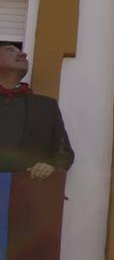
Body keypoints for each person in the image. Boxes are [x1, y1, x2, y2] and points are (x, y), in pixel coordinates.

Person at [0, 42, 73, 179]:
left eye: (20, 52)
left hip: (25, 191)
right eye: (10, 50)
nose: (23, 54)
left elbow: (63, 152)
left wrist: (50, 165)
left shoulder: (46, 107)